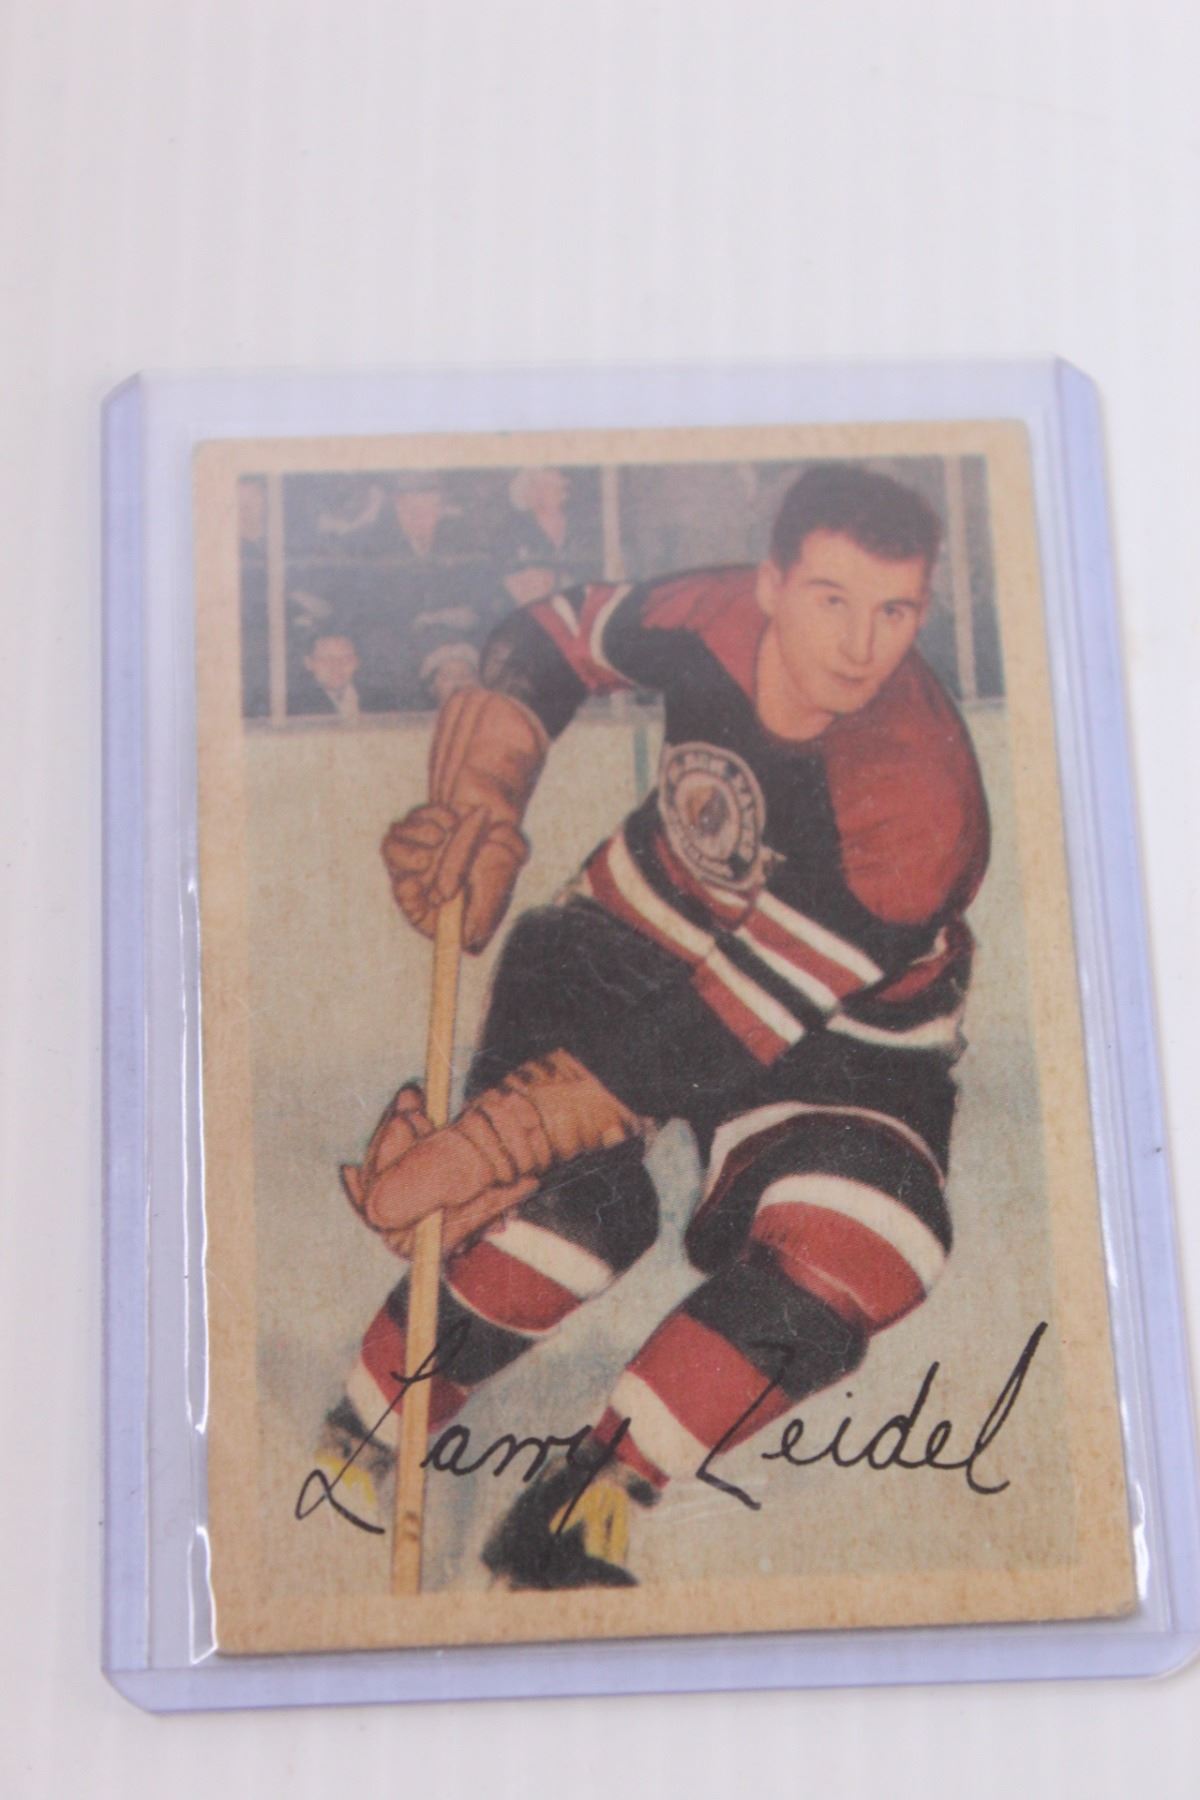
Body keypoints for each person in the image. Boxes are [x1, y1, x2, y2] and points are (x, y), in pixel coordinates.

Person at [324, 463, 990, 1589]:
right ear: (772, 585)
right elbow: (546, 637)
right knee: (573, 1214)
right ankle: (368, 1423)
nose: (859, 644)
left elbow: (722, 1030)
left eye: (894, 611)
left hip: (840, 1035)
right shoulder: (708, 614)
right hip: (632, 936)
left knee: (869, 1243)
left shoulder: (917, 802)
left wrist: (493, 1136)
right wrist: (485, 793)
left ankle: (593, 1499)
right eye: (831, 599)